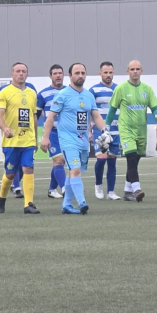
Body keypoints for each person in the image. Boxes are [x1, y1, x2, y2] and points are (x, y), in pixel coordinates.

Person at [41, 63, 110, 214]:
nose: (80, 75)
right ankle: (82, 202)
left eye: (83, 73)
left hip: (83, 140)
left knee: (73, 172)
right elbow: (50, 117)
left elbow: (96, 116)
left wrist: (105, 131)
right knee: (76, 169)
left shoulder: (88, 95)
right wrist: (45, 137)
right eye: (77, 73)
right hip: (67, 139)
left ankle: (66, 205)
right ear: (70, 76)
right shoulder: (63, 95)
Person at [104, 60, 157, 201]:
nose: (135, 71)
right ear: (127, 71)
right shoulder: (121, 88)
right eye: (132, 69)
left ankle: (127, 191)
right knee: (131, 158)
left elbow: (155, 109)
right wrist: (106, 128)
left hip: (141, 132)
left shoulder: (147, 89)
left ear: (141, 71)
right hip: (126, 130)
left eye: (137, 69)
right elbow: (112, 109)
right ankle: (136, 189)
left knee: (135, 161)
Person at [0, 62, 40, 214]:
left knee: (28, 168)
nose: (21, 74)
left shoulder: (32, 93)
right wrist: (4, 128)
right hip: (11, 141)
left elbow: (34, 116)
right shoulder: (5, 92)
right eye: (18, 71)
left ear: (27, 74)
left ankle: (28, 204)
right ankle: (1, 198)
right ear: (12, 74)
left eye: (24, 71)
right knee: (10, 174)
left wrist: (35, 138)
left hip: (27, 139)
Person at [37, 64, 67, 199]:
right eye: (55, 73)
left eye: (60, 73)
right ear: (50, 76)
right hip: (53, 132)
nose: (58, 75)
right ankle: (66, 188)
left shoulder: (69, 92)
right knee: (59, 160)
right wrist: (43, 136)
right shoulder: (42, 94)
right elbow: (35, 116)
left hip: (67, 133)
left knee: (61, 162)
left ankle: (51, 190)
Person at [91, 61, 120, 200]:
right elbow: (89, 111)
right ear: (100, 74)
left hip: (116, 129)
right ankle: (98, 185)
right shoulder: (93, 90)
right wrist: (90, 131)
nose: (108, 75)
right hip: (100, 130)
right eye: (105, 72)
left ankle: (111, 192)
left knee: (112, 161)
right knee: (101, 159)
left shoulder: (119, 89)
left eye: (110, 72)